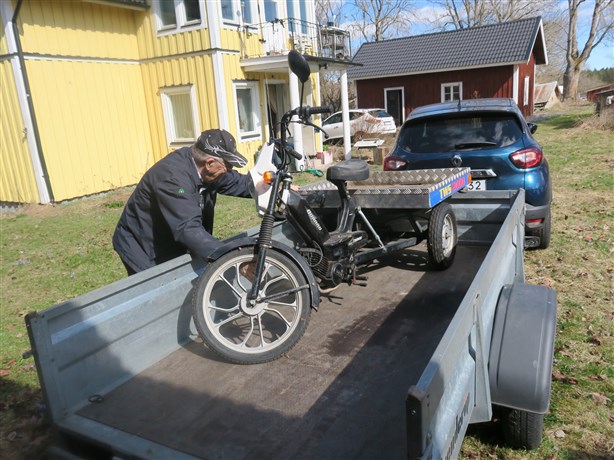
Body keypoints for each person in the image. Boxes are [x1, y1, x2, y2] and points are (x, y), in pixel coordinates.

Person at [113, 129, 252, 275]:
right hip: (143, 244)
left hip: (173, 233)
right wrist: (230, 256)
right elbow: (188, 228)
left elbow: (239, 183)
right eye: (228, 166)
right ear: (210, 163)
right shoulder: (172, 178)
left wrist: (270, 185)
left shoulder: (205, 168)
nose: (229, 171)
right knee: (159, 289)